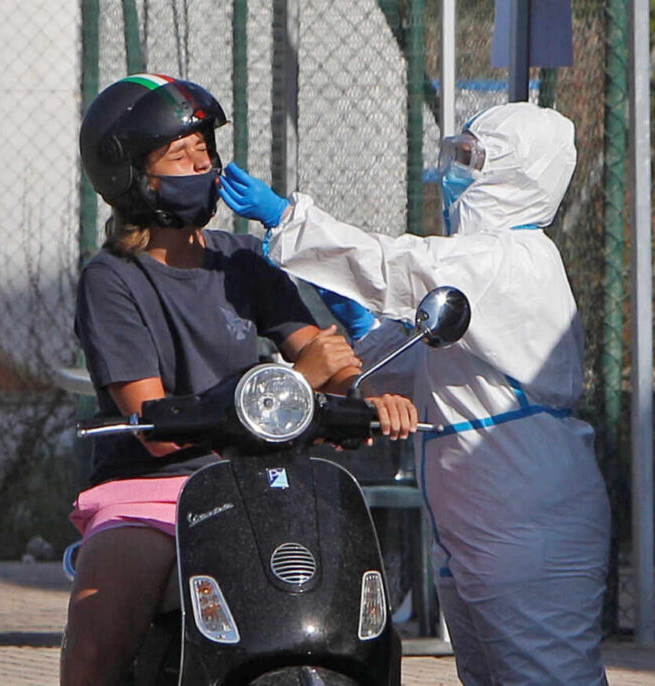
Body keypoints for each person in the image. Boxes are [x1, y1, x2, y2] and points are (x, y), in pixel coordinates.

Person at [219, 101, 611, 685]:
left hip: (526, 517)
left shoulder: (509, 259)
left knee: (547, 675)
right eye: (457, 155)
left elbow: (400, 264)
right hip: (480, 515)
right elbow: (420, 372)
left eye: (473, 160)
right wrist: (364, 331)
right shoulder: (484, 267)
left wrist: (288, 219)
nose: (457, 173)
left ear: (517, 172)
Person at [63, 72, 417, 686]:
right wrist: (296, 378)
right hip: (152, 490)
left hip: (267, 480)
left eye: (206, 149)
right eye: (181, 154)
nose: (203, 165)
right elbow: (152, 424)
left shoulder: (244, 259)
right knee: (98, 644)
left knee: (365, 628)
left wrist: (369, 399)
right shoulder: (112, 279)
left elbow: (325, 360)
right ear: (130, 176)